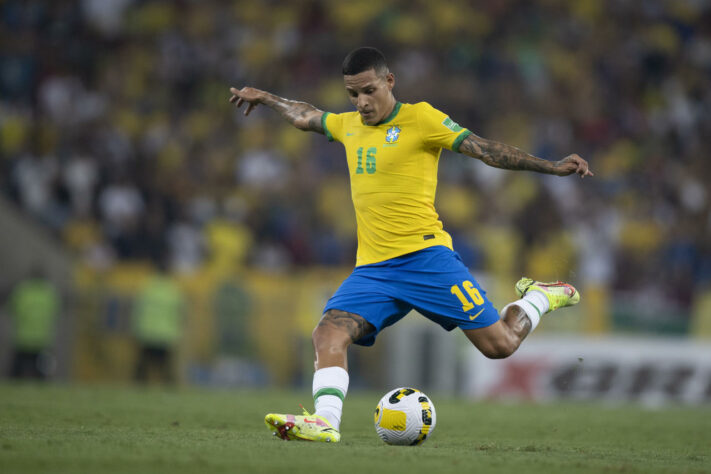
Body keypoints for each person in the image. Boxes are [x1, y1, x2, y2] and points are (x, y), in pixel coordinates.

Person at [229, 47, 593, 443]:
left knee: (500, 345)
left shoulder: (421, 118)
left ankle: (539, 297)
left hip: (427, 259)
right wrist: (266, 98)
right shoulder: (348, 125)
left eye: (368, 90)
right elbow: (305, 115)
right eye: (353, 94)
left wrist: (550, 166)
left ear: (389, 81)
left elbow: (486, 150)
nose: (361, 102)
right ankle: (326, 421)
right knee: (327, 335)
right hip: (374, 270)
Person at [7, 267, 60, 380]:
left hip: (23, 338)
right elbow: (56, 312)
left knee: (16, 371)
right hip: (42, 339)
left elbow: (12, 309)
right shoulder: (49, 294)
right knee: (42, 372)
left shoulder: (22, 292)